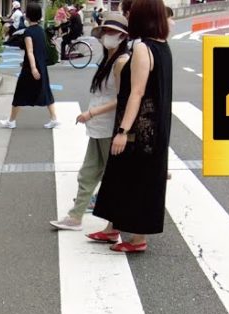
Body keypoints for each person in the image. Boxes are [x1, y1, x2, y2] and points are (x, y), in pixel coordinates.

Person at [87, 0, 172, 253]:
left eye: (131, 13)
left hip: (140, 129)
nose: (128, 16)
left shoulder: (144, 49)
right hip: (150, 125)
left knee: (138, 180)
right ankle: (112, 227)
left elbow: (137, 93)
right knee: (118, 175)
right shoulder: (162, 46)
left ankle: (137, 239)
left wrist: (123, 132)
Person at [51, 12, 130, 231]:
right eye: (105, 31)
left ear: (123, 37)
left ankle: (114, 224)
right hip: (99, 126)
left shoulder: (122, 62)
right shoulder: (108, 59)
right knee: (89, 172)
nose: (107, 36)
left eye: (112, 32)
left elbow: (121, 98)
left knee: (111, 176)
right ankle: (75, 217)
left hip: (109, 126)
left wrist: (92, 113)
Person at [1, 4, 60, 128]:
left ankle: (11, 121)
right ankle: (54, 118)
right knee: (45, 91)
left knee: (20, 93)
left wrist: (33, 68)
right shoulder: (41, 30)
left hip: (30, 67)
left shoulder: (28, 32)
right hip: (42, 66)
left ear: (27, 16)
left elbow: (30, 51)